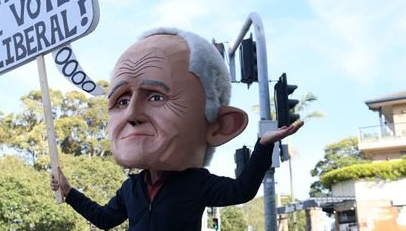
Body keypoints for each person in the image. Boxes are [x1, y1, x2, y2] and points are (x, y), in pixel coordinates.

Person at [50, 27, 303, 230]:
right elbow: (105, 219)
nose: (132, 115)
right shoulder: (131, 188)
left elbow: (242, 191)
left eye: (156, 97)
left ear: (218, 126)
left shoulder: (196, 183)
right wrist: (69, 192)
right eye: (123, 101)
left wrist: (263, 146)